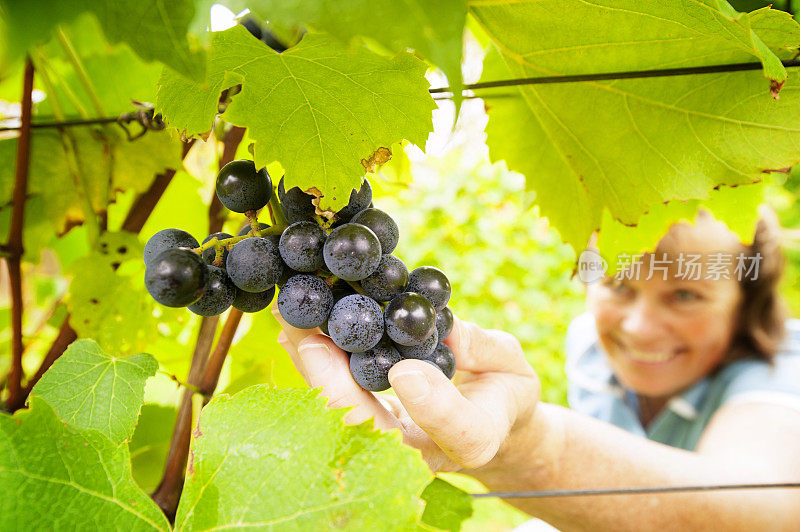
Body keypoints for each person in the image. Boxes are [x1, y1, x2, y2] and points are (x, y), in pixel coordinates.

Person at [273, 208, 800, 530]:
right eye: (620, 285)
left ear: (746, 302)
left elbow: (762, 510)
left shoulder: (784, 366)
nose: (639, 327)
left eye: (685, 294)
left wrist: (530, 446)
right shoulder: (591, 348)